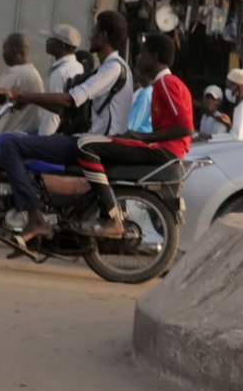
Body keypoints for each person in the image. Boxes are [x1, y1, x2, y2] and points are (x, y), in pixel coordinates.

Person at [0, 10, 135, 243]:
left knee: (10, 146)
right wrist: (24, 99)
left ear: (104, 36)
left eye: (95, 32)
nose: (91, 36)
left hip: (95, 143)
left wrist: (17, 93)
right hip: (89, 139)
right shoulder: (106, 66)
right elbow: (70, 107)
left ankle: (35, 219)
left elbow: (70, 99)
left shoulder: (113, 67)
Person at [69, 31, 192, 237]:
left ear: (154, 56)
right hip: (164, 150)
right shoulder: (163, 84)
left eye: (142, 53)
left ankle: (111, 217)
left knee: (85, 145)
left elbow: (186, 128)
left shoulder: (167, 84)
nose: (137, 58)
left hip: (165, 151)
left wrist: (144, 137)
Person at [0, 33, 48, 136]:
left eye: (4, 49)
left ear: (14, 50)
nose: (3, 54)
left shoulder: (16, 73)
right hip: (23, 130)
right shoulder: (31, 72)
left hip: (13, 134)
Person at [39, 24, 86, 136]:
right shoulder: (78, 67)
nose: (47, 42)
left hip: (52, 134)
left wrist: (44, 138)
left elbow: (55, 111)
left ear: (61, 45)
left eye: (51, 40)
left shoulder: (61, 73)